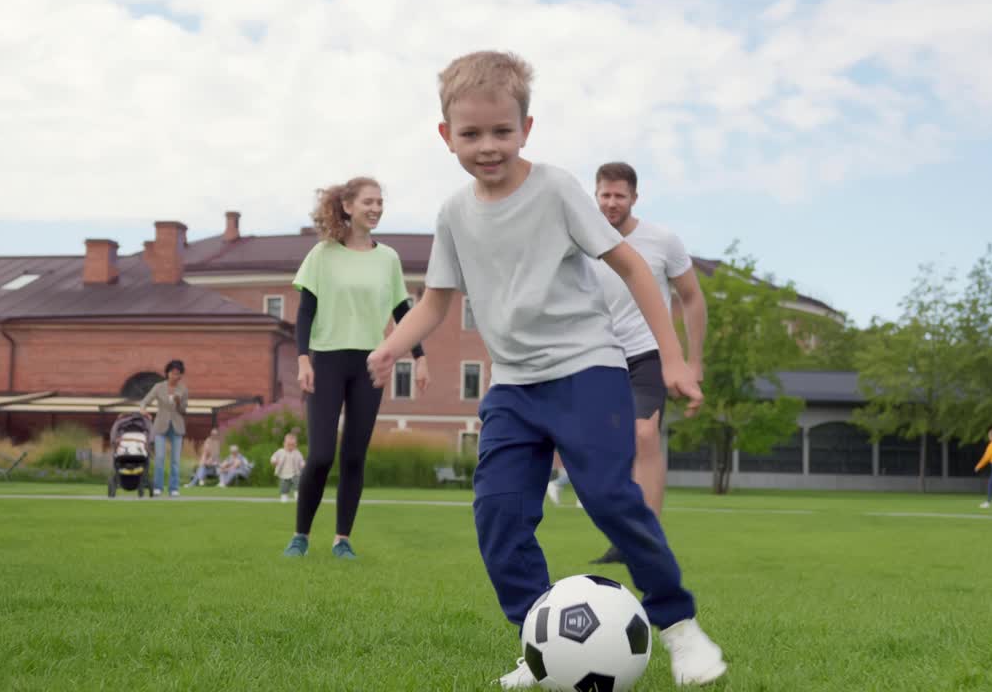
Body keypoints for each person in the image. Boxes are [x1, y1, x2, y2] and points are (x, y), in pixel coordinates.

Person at [365, 50, 726, 688]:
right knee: (498, 514)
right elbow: (437, 302)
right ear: (446, 136)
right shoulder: (453, 214)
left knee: (611, 498)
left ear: (526, 129)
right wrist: (396, 344)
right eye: (471, 134)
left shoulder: (556, 189)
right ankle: (542, 643)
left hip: (587, 368)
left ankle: (680, 626)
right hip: (512, 387)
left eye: (502, 131)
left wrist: (671, 355)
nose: (488, 146)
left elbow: (634, 267)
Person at [282, 177, 431, 560]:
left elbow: (403, 312)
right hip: (327, 361)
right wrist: (302, 360)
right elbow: (306, 312)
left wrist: (419, 356)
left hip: (370, 363)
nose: (376, 208)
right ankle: (300, 535)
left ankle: (342, 539)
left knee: (353, 456)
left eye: (380, 201)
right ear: (347, 206)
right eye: (369, 201)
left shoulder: (389, 259)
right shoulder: (323, 254)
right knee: (319, 455)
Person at [585, 161, 707, 565]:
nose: (611, 202)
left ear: (634, 198)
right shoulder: (580, 239)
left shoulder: (662, 240)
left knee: (644, 435)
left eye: (620, 195)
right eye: (605, 194)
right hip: (599, 356)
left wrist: (694, 361)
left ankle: (645, 537)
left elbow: (691, 297)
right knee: (601, 449)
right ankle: (623, 528)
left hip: (648, 352)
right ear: (595, 195)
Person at [139, 359, 188, 497]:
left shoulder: (183, 389)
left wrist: (179, 404)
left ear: (180, 375)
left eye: (178, 374)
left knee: (175, 460)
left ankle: (173, 488)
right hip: (160, 425)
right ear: (167, 373)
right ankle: (158, 487)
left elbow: (184, 410)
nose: (175, 376)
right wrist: (143, 409)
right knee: (160, 457)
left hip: (177, 426)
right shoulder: (158, 387)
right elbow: (145, 401)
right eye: (172, 373)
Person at [271, 433, 306, 503]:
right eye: (288, 445)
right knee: (284, 485)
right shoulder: (280, 452)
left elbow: (301, 460)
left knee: (298, 484)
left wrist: (303, 464)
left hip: (295, 473)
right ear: (284, 443)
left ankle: (298, 495)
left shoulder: (297, 453)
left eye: (293, 445)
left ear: (296, 445)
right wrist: (274, 461)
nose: (290, 447)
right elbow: (274, 457)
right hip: (284, 473)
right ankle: (284, 496)